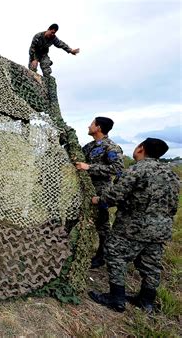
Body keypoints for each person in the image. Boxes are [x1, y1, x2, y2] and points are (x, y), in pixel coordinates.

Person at [88, 138, 179, 313]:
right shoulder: (171, 173)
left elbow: (114, 196)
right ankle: (146, 302)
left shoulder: (136, 170)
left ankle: (116, 298)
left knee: (115, 255)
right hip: (161, 228)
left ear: (141, 149)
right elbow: (173, 205)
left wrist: (98, 199)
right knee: (151, 264)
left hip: (133, 227)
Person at [75, 117, 124, 268]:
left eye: (91, 124)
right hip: (83, 189)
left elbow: (118, 168)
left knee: (102, 224)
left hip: (100, 191)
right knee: (74, 217)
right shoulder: (89, 146)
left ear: (99, 127)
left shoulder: (111, 147)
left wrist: (90, 168)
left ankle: (101, 256)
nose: (88, 126)